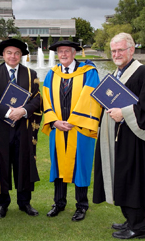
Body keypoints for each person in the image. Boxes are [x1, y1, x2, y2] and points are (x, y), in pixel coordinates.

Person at [93, 32, 145, 239]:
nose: (116, 54)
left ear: (131, 49)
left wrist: (124, 113)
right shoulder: (117, 74)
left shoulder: (144, 73)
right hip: (120, 136)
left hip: (136, 140)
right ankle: (129, 220)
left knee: (134, 180)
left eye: (120, 50)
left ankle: (139, 228)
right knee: (122, 177)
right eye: (113, 51)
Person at [0, 38, 42, 219]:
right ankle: (3, 203)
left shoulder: (31, 74)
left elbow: (37, 98)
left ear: (21, 55)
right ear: (3, 54)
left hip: (23, 128)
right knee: (1, 164)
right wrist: (8, 112)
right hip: (0, 129)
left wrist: (22, 110)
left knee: (24, 163)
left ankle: (25, 203)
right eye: (9, 52)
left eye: (16, 53)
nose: (13, 56)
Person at [42, 40, 102, 221]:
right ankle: (58, 203)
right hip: (58, 129)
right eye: (60, 51)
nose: (63, 54)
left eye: (67, 51)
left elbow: (90, 99)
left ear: (75, 53)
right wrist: (53, 121)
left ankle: (81, 206)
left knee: (80, 166)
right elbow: (46, 98)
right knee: (58, 165)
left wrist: (75, 121)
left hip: (81, 129)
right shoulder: (52, 74)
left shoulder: (89, 73)